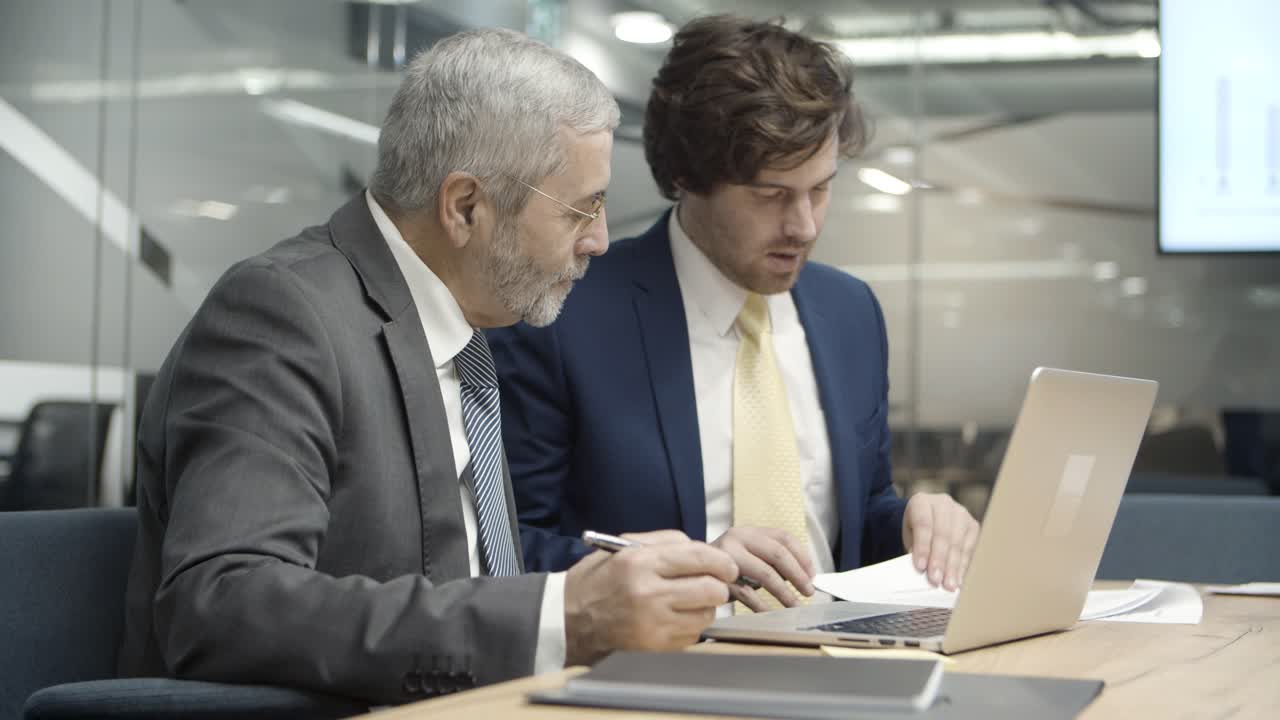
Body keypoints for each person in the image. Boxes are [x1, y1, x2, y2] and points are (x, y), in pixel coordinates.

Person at [117, 28, 740, 706]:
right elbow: (224, 604)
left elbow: (458, 570)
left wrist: (640, 575)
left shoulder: (460, 324)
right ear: (465, 206)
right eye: (580, 209)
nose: (598, 240)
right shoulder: (284, 315)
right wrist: (562, 615)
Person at [488, 16, 979, 613]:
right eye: (771, 196)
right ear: (686, 177)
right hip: (663, 659)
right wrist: (693, 568)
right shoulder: (563, 314)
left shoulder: (850, 313)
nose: (804, 226)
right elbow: (508, 550)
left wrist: (911, 525)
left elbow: (853, 525)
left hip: (842, 653)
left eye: (821, 189)